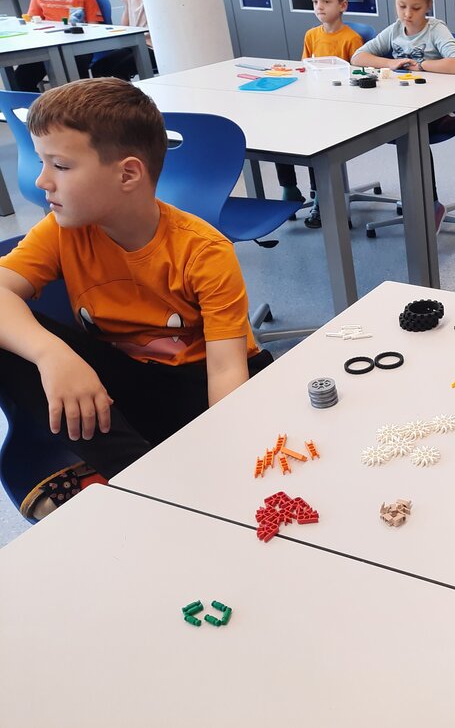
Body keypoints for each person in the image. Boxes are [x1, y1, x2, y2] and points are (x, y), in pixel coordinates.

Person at [0, 78, 273, 519]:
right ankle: (141, 478)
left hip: (202, 387)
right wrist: (52, 354)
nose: (42, 180)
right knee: (15, 342)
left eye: (60, 166)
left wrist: (227, 453)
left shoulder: (202, 250)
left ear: (128, 174)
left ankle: (149, 481)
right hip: (129, 385)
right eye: (42, 161)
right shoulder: (61, 231)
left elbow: (226, 372)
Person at [351, 0, 455, 231]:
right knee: (391, 127)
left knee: (412, 135)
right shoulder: (394, 31)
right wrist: (391, 62)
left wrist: (423, 65)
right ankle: (417, 198)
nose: (407, 14)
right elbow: (358, 57)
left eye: (415, 8)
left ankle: (430, 203)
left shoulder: (435, 30)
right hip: (401, 104)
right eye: (402, 6)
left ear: (428, 5)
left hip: (432, 105)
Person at [278, 0, 365, 228]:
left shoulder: (351, 39)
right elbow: (305, 70)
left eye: (326, 1)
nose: (319, 7)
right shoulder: (311, 36)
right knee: (280, 128)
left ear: (342, 5)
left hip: (340, 107)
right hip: (314, 102)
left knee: (314, 139)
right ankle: (289, 188)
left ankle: (320, 196)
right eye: (315, 1)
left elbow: (358, 78)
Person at [89, 0, 158, 80]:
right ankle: (110, 91)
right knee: (98, 68)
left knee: (120, 69)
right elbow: (126, 11)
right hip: (136, 43)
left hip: (155, 47)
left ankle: (126, 90)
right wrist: (124, 37)